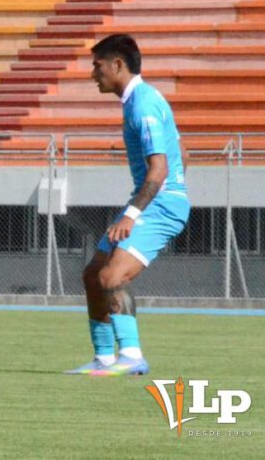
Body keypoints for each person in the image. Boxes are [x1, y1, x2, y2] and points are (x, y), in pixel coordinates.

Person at [65, 34, 190, 377]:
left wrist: (135, 213)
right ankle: (104, 359)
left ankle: (132, 356)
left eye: (97, 65)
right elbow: (182, 155)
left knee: (111, 275)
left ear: (117, 65)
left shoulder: (144, 104)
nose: (93, 74)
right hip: (155, 200)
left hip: (160, 205)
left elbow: (160, 169)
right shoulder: (142, 100)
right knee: (93, 275)